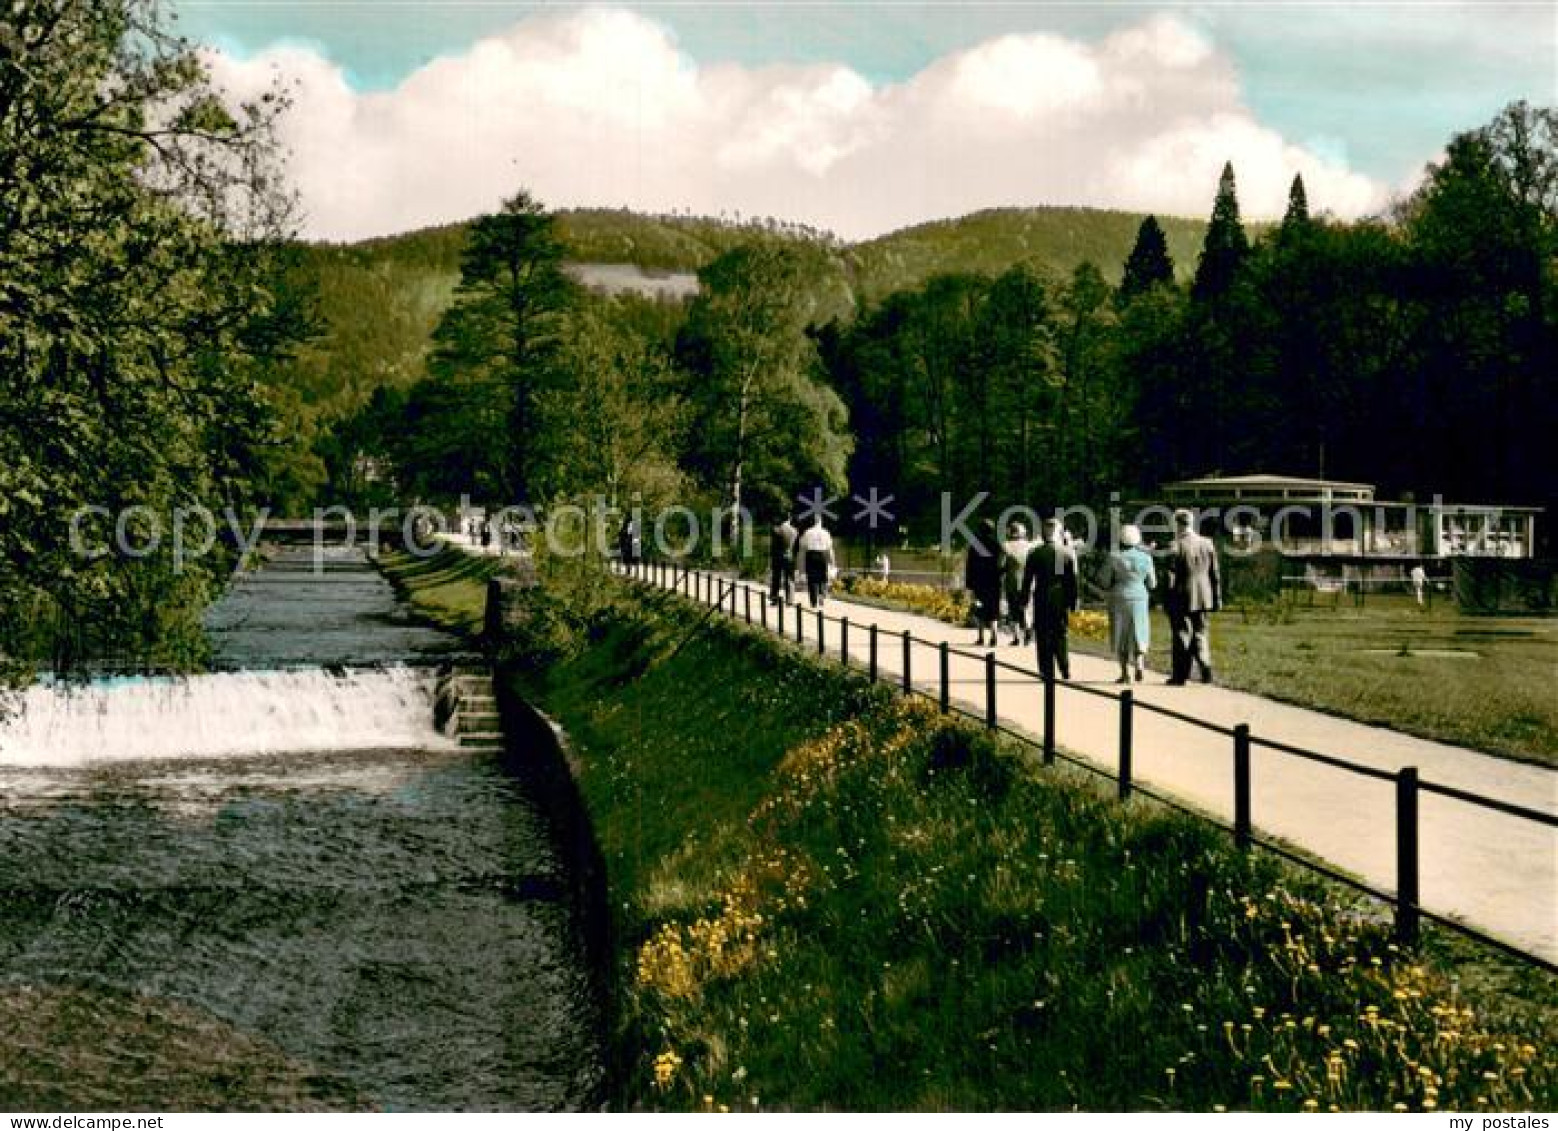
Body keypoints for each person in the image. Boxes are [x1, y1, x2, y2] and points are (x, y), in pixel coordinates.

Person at [1165, 508, 1221, 685]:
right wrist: (1217, 597)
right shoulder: (1207, 543)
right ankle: (1206, 667)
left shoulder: (1175, 544)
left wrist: (1167, 597)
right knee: (1201, 632)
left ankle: (1180, 675)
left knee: (1181, 634)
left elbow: (1171, 574)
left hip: (1182, 594)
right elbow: (1215, 573)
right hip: (1204, 594)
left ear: (1177, 524)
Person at [1021, 517, 1079, 681]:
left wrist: (1024, 600)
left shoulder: (1036, 554)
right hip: (1060, 598)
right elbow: (1071, 581)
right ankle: (1064, 666)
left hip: (1041, 596)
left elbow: (1027, 580)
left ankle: (1047, 670)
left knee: (1043, 634)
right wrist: (1073, 601)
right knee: (1060, 633)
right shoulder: (1065, 553)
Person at [1100, 524, 1156, 683]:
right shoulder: (1146, 558)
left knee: (1121, 634)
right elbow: (1152, 583)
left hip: (1119, 597)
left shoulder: (1114, 557)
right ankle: (1139, 663)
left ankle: (1125, 673)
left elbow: (1104, 581)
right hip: (1139, 596)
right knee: (1139, 631)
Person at [965, 518, 1002, 647]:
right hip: (993, 583)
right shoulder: (996, 545)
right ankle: (994, 636)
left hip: (979, 583)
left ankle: (981, 637)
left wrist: (969, 584)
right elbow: (1001, 564)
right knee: (993, 610)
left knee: (980, 608)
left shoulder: (974, 546)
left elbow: (969, 566)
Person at [1000, 520, 1034, 646]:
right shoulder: (1030, 546)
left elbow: (1000, 564)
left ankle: (1016, 637)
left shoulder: (1006, 546)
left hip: (1012, 583)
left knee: (1013, 610)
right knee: (1027, 608)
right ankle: (1028, 633)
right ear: (1023, 532)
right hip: (1029, 582)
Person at [796, 514, 835, 608]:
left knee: (812, 579)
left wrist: (801, 567)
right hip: (822, 555)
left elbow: (802, 548)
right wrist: (833, 562)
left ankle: (813, 601)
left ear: (812, 522)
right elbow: (830, 549)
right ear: (821, 521)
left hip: (811, 555)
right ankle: (821, 594)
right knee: (822, 577)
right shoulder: (826, 532)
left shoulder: (807, 532)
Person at [769, 515, 799, 604]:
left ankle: (774, 597)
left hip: (777, 556)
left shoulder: (776, 529)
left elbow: (773, 545)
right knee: (789, 578)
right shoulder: (795, 531)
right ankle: (789, 599)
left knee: (776, 577)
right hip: (789, 555)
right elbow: (795, 546)